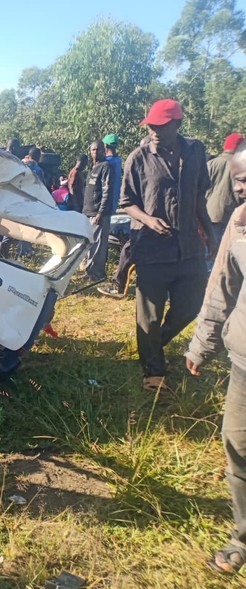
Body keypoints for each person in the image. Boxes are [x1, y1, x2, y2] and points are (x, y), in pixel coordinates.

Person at [120, 99, 217, 389]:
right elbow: (127, 203)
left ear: (178, 124)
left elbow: (199, 196)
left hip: (189, 247)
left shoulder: (196, 151)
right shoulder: (137, 158)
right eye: (150, 125)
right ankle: (153, 370)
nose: (154, 130)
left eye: (161, 125)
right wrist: (148, 220)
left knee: (191, 305)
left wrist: (210, 234)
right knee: (149, 315)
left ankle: (153, 346)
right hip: (152, 248)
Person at [185, 139, 246, 574]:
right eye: (238, 179)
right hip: (244, 358)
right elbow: (221, 286)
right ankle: (243, 536)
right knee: (237, 445)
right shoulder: (240, 223)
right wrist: (201, 343)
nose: (241, 187)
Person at [207, 133, 245, 251]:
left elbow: (199, 188)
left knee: (211, 252)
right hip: (234, 215)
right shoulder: (241, 165)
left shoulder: (211, 163)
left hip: (211, 215)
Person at [82, 140, 113, 282]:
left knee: (98, 246)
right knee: (89, 244)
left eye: (98, 150)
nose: (95, 152)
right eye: (93, 150)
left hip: (99, 213)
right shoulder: (92, 167)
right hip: (88, 211)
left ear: (104, 150)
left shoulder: (105, 167)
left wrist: (100, 212)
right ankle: (89, 271)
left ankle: (97, 275)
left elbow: (107, 192)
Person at [103, 133, 123, 215]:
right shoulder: (118, 160)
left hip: (104, 200)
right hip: (114, 199)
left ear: (105, 146)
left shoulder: (106, 162)